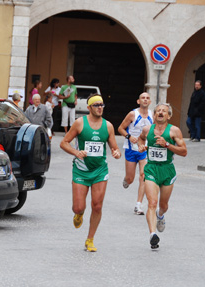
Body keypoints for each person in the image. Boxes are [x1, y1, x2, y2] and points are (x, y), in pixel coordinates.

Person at [59, 94, 121, 252]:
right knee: (78, 207)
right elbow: (63, 143)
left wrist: (116, 153)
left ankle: (90, 239)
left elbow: (114, 147)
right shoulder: (80, 123)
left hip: (100, 170)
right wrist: (76, 152)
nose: (100, 107)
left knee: (97, 205)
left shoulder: (108, 126)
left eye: (102, 105)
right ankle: (79, 214)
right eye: (96, 105)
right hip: (81, 169)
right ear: (89, 108)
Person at [138, 103, 187, 249]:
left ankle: (160, 215)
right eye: (158, 110)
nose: (160, 113)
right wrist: (141, 146)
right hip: (151, 169)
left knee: (163, 205)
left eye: (163, 111)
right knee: (152, 203)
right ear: (154, 115)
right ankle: (153, 235)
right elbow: (141, 139)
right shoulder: (148, 129)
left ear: (169, 115)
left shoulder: (174, 131)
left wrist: (167, 145)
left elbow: (184, 151)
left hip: (167, 170)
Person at [118, 92, 153, 215]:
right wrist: (129, 136)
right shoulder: (133, 114)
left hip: (143, 149)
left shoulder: (152, 115)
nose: (145, 100)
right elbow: (120, 128)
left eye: (147, 98)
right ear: (138, 101)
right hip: (131, 148)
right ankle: (126, 180)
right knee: (130, 178)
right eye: (143, 98)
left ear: (150, 102)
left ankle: (138, 205)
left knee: (143, 176)